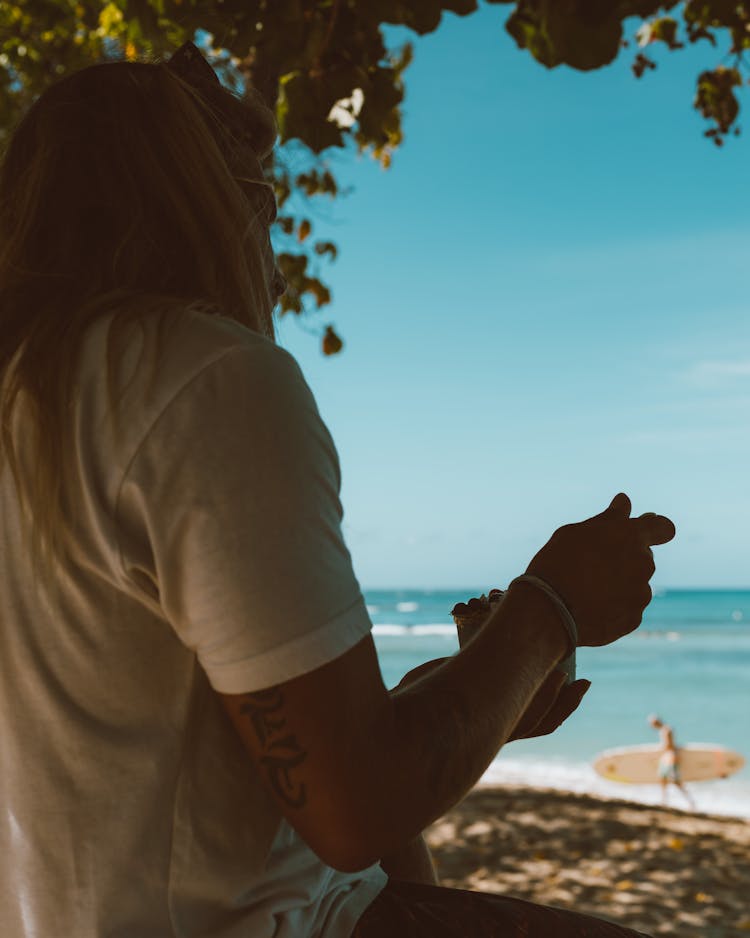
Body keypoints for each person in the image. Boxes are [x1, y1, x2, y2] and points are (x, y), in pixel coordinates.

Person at [0, 41, 676, 938]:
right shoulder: (202, 377)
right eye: (261, 200)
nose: (275, 261)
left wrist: (476, 696)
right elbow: (355, 811)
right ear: (209, 204)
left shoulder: (37, 398)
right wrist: (550, 608)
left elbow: (254, 765)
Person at [648, 715, 696, 810]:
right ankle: (664, 801)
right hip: (667, 757)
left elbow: (669, 746)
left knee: (676, 781)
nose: (652, 726)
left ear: (656, 722)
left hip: (670, 757)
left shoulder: (666, 730)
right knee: (663, 779)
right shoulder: (664, 730)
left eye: (652, 724)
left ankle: (691, 802)